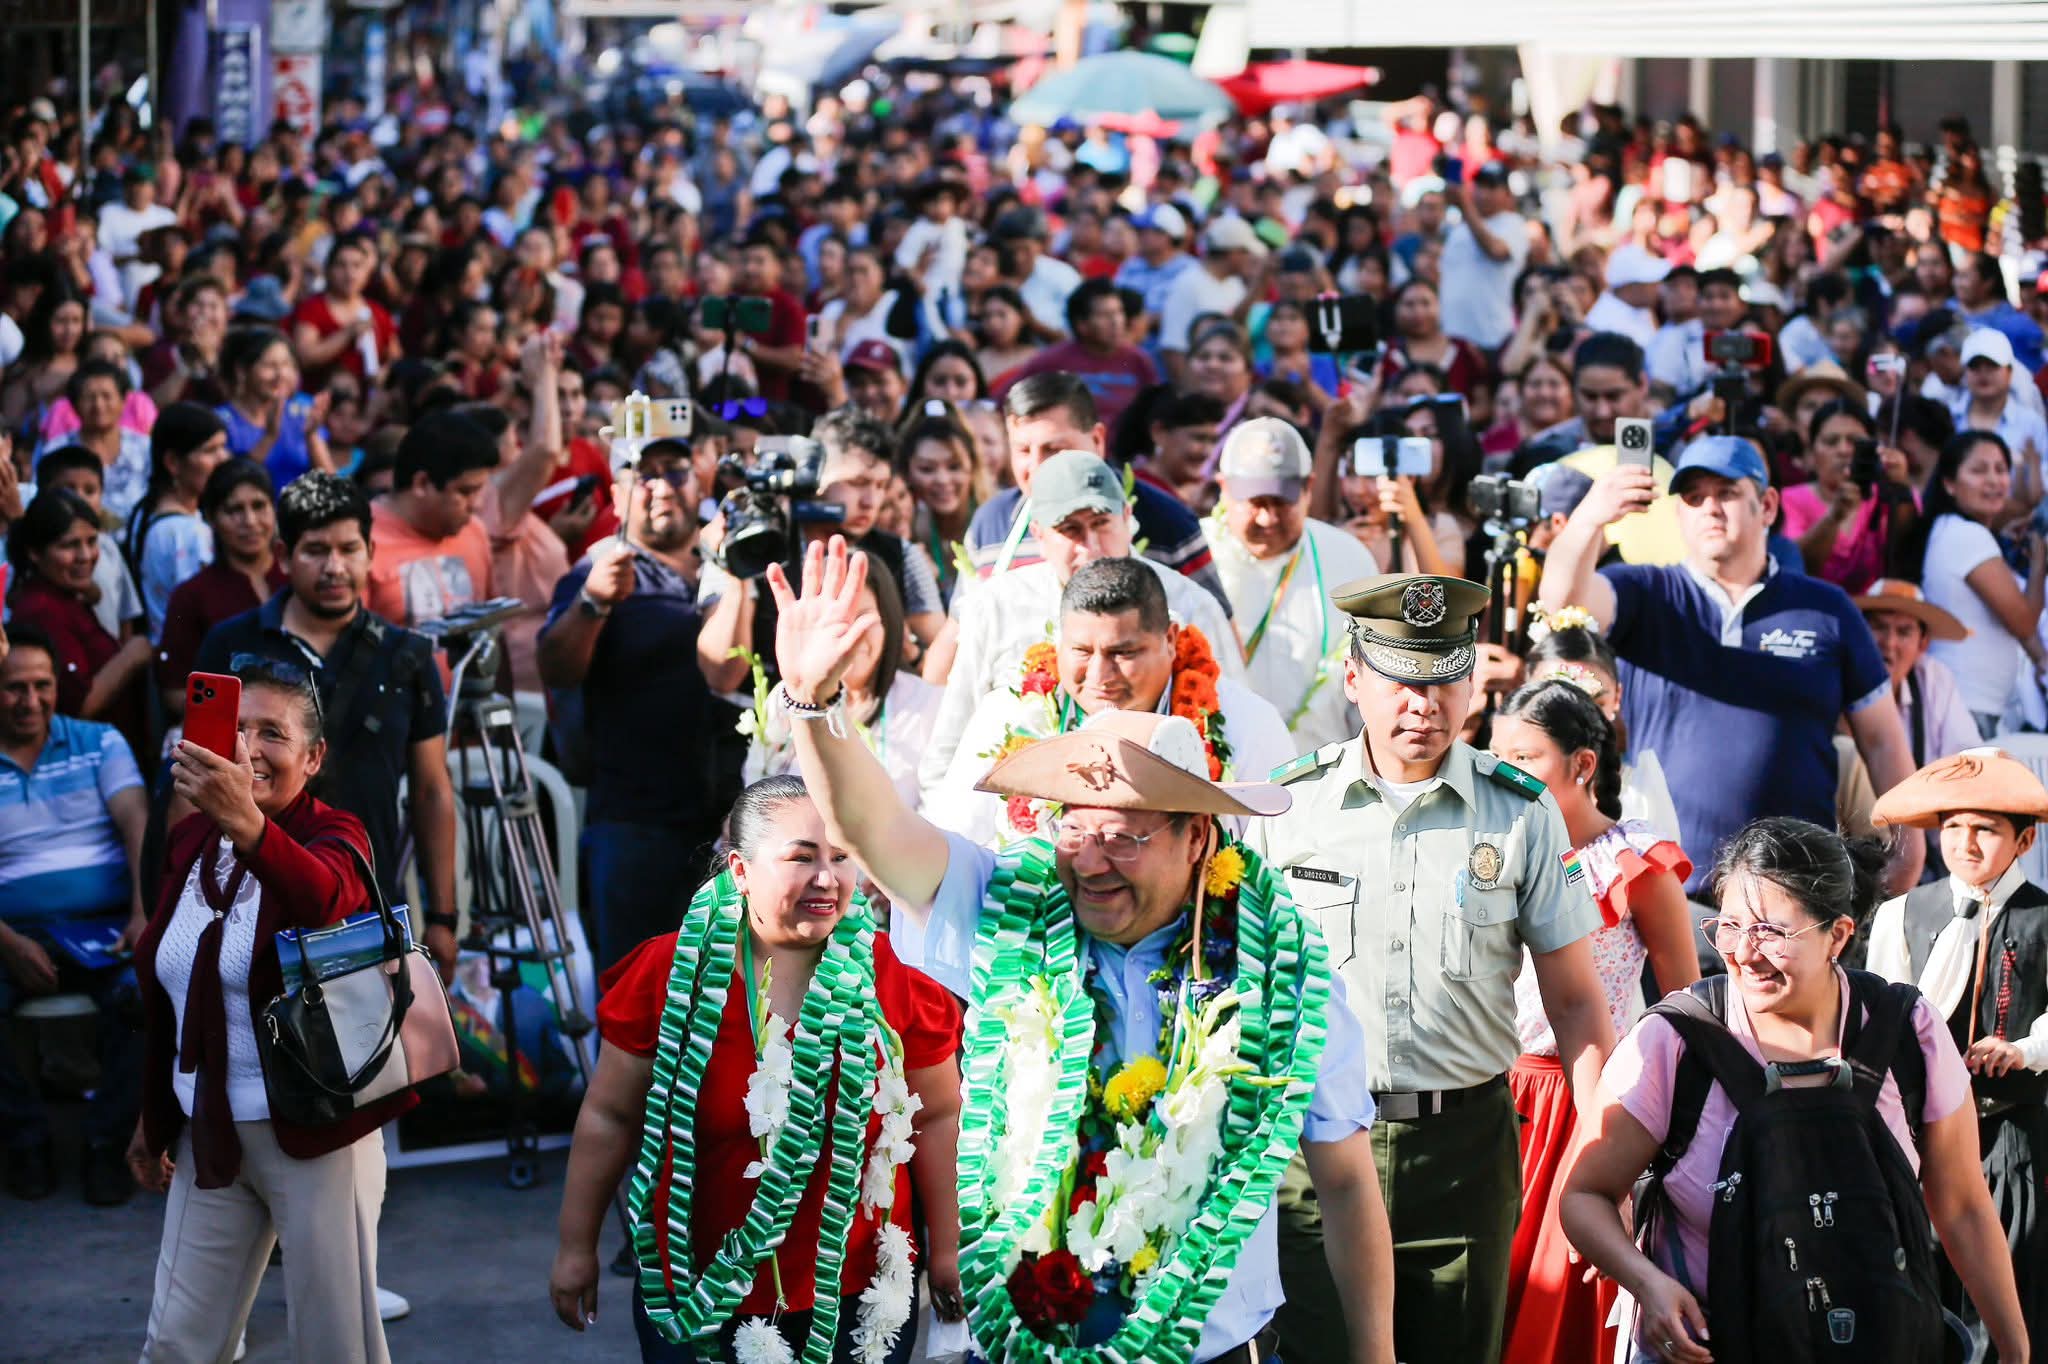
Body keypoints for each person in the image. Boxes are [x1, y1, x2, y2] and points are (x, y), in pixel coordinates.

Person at [771, 537, 1398, 1363]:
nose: (1090, 859)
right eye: (1075, 827)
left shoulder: (1280, 969)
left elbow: (1347, 1179)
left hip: (1207, 1347)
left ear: (1196, 837)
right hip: (1028, 1334)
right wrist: (813, 707)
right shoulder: (1007, 908)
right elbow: (873, 829)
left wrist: (1377, 1355)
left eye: (1125, 837)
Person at [1247, 572, 1616, 1363]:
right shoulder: (1286, 810)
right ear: (1354, 680)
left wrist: (1602, 1149)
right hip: (1315, 1149)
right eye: (1402, 682)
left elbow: (1578, 1003)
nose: (1425, 705)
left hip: (1464, 1153)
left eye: (1446, 679)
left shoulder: (1519, 810)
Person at [1561, 818, 2026, 1364]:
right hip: (1710, 1346)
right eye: (1729, 926)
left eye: (1773, 933)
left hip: (1881, 1339)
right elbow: (1584, 1196)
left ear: (1840, 935)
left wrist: (2015, 1349)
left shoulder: (1906, 1032)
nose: (1743, 953)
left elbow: (1964, 1205)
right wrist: (1646, 1283)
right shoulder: (1677, 1039)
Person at [549, 774, 964, 1363]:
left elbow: (939, 1116)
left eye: (841, 858)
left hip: (857, 1299)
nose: (826, 878)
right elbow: (610, 1115)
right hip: (697, 1293)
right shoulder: (670, 973)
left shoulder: (892, 978)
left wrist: (947, 1250)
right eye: (802, 857)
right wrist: (575, 1247)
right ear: (739, 871)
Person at [131, 657, 408, 1363]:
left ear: (313, 757)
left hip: (317, 1135)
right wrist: (154, 1119)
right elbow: (168, 990)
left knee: (336, 1347)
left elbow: (325, 899)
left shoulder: (335, 835)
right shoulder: (191, 840)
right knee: (177, 1343)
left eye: (272, 734)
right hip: (209, 1131)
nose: (249, 749)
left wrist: (247, 824)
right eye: (236, 728)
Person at [1538, 437, 1925, 903]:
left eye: (1726, 493)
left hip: (1799, 894)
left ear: (1767, 505)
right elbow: (1561, 604)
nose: (1710, 508)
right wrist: (1589, 517)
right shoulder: (1645, 591)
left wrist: (1910, 845)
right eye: (1694, 498)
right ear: (1678, 514)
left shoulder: (1828, 608)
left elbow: (1882, 737)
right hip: (1668, 893)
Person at [1489, 677, 1698, 1364]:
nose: (1504, 773)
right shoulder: (1488, 848)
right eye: (1497, 756)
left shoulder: (1634, 861)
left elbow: (1686, 1007)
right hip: (1493, 1091)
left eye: (1527, 757)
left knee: (1559, 1303)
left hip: (1589, 1096)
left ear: (1582, 765)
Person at [192, 473, 458, 980]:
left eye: (348, 548)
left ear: (370, 552)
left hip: (366, 903)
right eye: (316, 550)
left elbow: (431, 791)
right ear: (284, 555)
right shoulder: (231, 645)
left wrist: (443, 918)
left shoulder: (407, 655)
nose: (335, 567)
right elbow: (194, 775)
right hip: (244, 901)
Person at [1868, 749, 2048, 1361]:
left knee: (2007, 1279)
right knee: (1919, 1280)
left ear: (2023, 840)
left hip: (2008, 1133)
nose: (1966, 843)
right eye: (1953, 828)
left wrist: (2023, 1049)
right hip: (1918, 1132)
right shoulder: (1900, 915)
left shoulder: (2043, 918)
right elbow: (1879, 1010)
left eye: (1985, 829)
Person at [923, 450, 1242, 795]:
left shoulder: (1190, 604)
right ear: (1039, 535)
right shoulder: (997, 607)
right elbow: (947, 752)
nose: (1090, 547)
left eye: (1102, 524)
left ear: (1127, 517)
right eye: (1070, 530)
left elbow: (1234, 732)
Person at [929, 558, 1290, 844]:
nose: (1100, 676)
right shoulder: (1009, 717)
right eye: (1082, 651)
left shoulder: (1246, 724)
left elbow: (1277, 859)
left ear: (1170, 639)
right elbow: (956, 846)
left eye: (1123, 652)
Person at [537, 438, 729, 973]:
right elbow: (556, 668)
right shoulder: (598, 570)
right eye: (643, 474)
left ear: (703, 481)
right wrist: (593, 603)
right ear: (616, 496)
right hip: (636, 825)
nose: (661, 486)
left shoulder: (740, 558)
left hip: (737, 823)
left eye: (675, 470)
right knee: (636, 997)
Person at [0, 624, 149, 1204]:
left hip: (105, 926)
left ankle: (106, 1145)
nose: (30, 701)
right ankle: (24, 1141)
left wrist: (141, 913)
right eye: (14, 688)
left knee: (145, 993)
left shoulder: (99, 741)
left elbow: (137, 824)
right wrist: (8, 943)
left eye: (42, 685)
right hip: (14, 933)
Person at [961, 373, 1228, 610]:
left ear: (1098, 440)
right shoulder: (989, 525)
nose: (1037, 465)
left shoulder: (1168, 522)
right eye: (1022, 450)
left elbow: (1215, 636)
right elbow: (960, 636)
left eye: (1053, 450)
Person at [1206, 418, 1380, 751]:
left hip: (1321, 771)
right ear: (1223, 488)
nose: (1267, 518)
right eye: (1256, 502)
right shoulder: (1194, 559)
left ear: (1308, 488)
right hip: (1219, 773)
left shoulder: (1348, 558)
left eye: (1282, 502)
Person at [1907, 431, 2046, 735]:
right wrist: (2040, 563)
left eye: (2000, 469)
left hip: (1967, 703)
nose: (1994, 480)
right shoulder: (1967, 536)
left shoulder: (1954, 530)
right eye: (1979, 470)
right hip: (1968, 705)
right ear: (1949, 483)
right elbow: (2023, 623)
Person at [6, 488, 152, 759]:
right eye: (69, 545)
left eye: (91, 541)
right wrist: (132, 655)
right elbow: (79, 704)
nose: (85, 556)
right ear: (35, 553)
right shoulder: (42, 610)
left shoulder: (67, 596)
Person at [1526, 614, 1684, 844]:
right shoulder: (1497, 775)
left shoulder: (1640, 792)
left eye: (1593, 702)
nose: (1576, 719)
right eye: (1555, 703)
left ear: (1617, 696)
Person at [157, 459, 286, 718]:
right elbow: (174, 693)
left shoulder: (297, 581)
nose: (249, 521)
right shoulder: (191, 596)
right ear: (211, 518)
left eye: (259, 506)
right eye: (234, 510)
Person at [364, 408, 497, 629]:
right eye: (465, 492)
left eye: (480, 490)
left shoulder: (474, 532)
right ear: (422, 484)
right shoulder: (358, 541)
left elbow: (491, 630)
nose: (477, 504)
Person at [1778, 399, 1918, 593]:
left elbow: (1908, 552)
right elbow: (1796, 566)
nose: (1843, 450)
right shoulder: (1789, 500)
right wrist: (1834, 517)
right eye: (1831, 441)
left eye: (1855, 441)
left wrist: (1901, 487)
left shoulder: (1889, 495)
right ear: (1811, 452)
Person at [993, 278, 1158, 429]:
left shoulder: (1138, 360)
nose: (1116, 321)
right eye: (1105, 315)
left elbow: (1155, 413)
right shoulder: (1053, 360)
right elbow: (1002, 402)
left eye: (1119, 312)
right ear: (1082, 325)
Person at [126, 402, 230, 639]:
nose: (223, 459)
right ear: (173, 462)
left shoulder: (145, 511)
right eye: (209, 450)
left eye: (223, 447)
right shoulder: (188, 534)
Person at [1853, 578, 1980, 770]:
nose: (1889, 643)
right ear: (1860, 632)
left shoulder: (1935, 679)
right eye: (1879, 627)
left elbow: (1968, 760)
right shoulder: (1838, 676)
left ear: (1923, 643)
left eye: (1903, 632)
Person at [32, 443, 148, 641]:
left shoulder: (108, 547)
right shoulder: (43, 565)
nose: (80, 499)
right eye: (68, 490)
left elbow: (125, 615)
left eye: (90, 490)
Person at [35, 359, 152, 522]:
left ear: (123, 401)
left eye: (107, 396)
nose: (98, 405)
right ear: (74, 405)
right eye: (89, 397)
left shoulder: (145, 447)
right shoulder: (57, 450)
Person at [214, 326, 331, 487]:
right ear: (242, 371)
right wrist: (269, 437)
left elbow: (331, 482)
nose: (281, 374)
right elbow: (230, 484)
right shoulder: (222, 421)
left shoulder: (302, 411)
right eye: (269, 365)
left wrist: (311, 436)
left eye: (286, 364)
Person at [1159, 218, 1266, 384]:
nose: (1250, 258)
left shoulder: (1234, 284)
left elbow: (1237, 329)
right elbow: (1173, 349)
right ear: (1233, 253)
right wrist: (1188, 393)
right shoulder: (1187, 284)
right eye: (1246, 252)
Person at [1438, 164, 1529, 352]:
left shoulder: (1514, 225)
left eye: (1492, 188)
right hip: (1451, 335)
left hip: (1491, 337)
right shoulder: (1459, 229)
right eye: (1479, 186)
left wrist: (1465, 206)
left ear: (1508, 194)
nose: (1483, 194)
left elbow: (1496, 250)